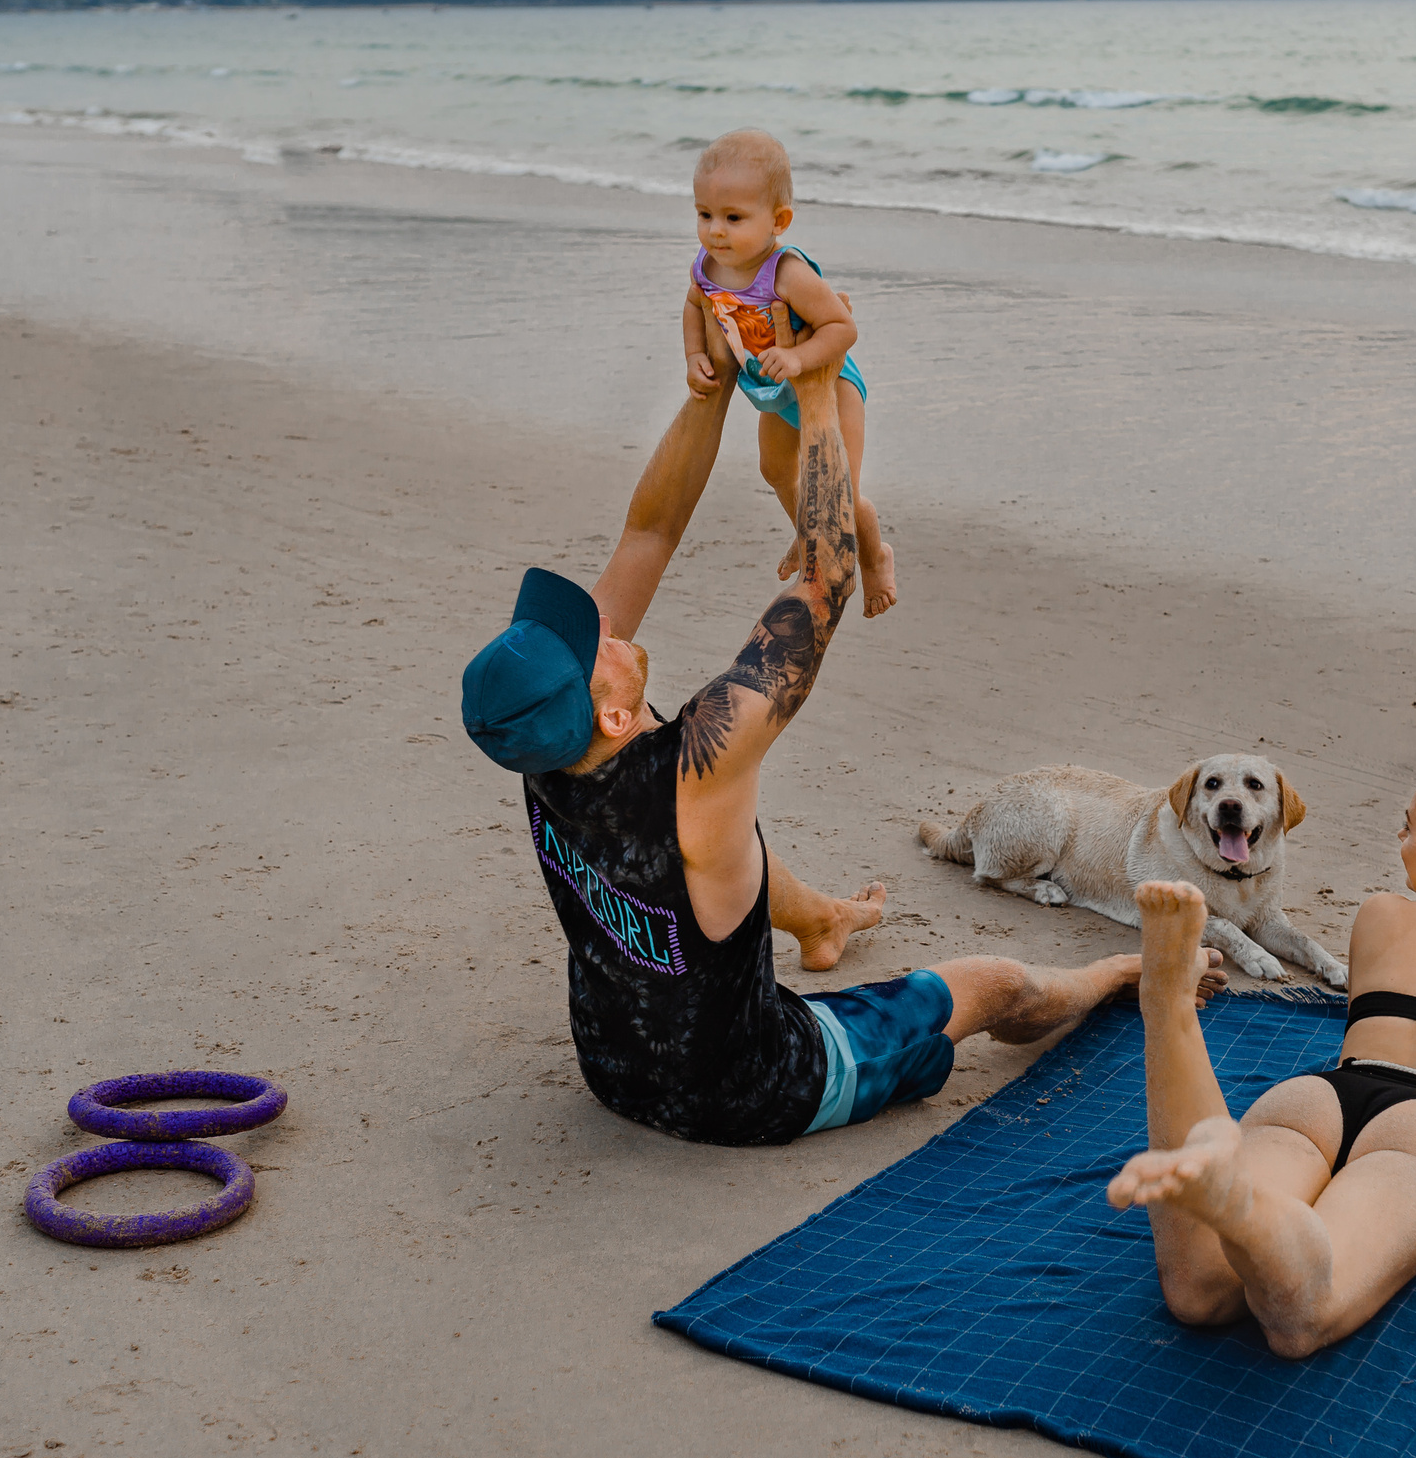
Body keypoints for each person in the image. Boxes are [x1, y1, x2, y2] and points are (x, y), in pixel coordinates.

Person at [462, 344, 1216, 1145]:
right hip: (752, 1091)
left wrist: (711, 390)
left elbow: (650, 528)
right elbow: (825, 579)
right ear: (612, 715)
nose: (604, 626)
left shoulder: (537, 744)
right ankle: (1125, 976)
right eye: (594, 645)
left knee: (718, 858)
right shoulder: (700, 765)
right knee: (996, 984)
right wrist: (820, 396)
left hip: (612, 1062)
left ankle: (822, 919)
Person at [1106, 761, 1416, 1357]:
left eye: (1408, 831)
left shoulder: (1380, 913)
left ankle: (1170, 1013)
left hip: (1320, 1098)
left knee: (1199, 1292)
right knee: (1300, 1316)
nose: (1399, 842)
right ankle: (1248, 1212)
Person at [683, 128, 897, 618]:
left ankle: (875, 557)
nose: (716, 230)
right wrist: (695, 353)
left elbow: (843, 328)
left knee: (842, 492)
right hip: (773, 391)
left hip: (830, 384)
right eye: (705, 215)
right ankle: (805, 534)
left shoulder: (787, 272)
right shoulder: (707, 266)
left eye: (734, 218)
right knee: (775, 470)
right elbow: (694, 306)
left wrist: (801, 360)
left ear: (778, 221)